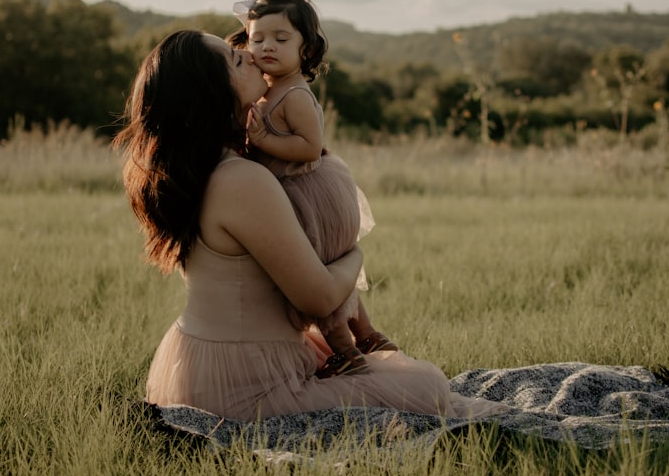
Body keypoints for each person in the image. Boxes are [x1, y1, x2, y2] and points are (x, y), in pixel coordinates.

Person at [113, 30, 494, 421]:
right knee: (428, 387)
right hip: (245, 381)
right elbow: (321, 298)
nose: (248, 55)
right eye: (233, 58)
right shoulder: (240, 181)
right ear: (209, 92)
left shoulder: (199, 170)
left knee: (389, 371)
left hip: (209, 358)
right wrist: (354, 252)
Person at [227, 0, 395, 378]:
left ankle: (345, 352)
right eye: (258, 39)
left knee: (316, 276)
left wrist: (263, 139)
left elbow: (309, 147)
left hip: (305, 194)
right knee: (328, 267)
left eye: (281, 39)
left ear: (306, 49)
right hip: (295, 190)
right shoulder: (271, 90)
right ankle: (367, 334)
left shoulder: (294, 95)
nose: (267, 47)